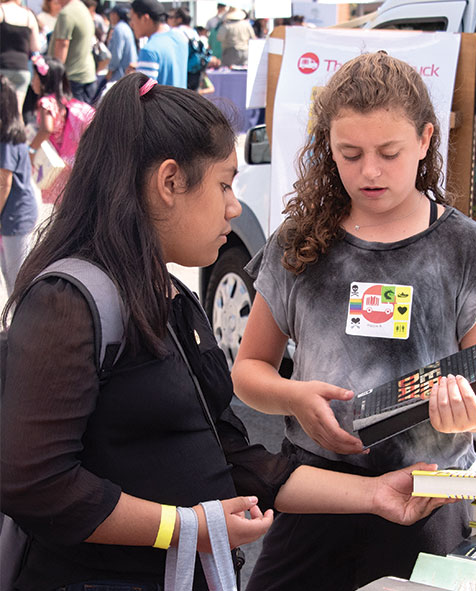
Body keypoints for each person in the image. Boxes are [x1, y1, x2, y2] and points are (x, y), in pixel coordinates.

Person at [0, 72, 448, 591]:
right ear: (170, 183)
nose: (234, 207)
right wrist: (186, 527)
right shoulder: (69, 302)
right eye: (224, 184)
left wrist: (375, 495)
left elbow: (234, 456)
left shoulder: (173, 298)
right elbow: (34, 482)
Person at [232, 51, 476, 590]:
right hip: (316, 496)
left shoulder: (469, 251)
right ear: (329, 150)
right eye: (350, 153)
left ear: (425, 140)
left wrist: (473, 416)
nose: (369, 171)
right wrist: (293, 397)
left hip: (432, 500)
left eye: (389, 152)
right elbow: (249, 368)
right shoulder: (297, 244)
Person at [29, 55, 94, 204]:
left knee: (59, 203)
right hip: (67, 159)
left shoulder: (45, 102)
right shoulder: (63, 101)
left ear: (45, 82)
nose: (33, 81)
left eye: (35, 77)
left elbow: (46, 128)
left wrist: (32, 150)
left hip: (55, 160)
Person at [0, 75, 38, 293]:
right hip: (16, 213)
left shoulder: (6, 139)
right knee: (9, 272)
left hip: (16, 214)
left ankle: (20, 324)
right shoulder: (14, 132)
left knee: (16, 278)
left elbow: (3, 184)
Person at [130, 0, 187, 88]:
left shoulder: (149, 50)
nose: (131, 25)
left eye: (132, 19)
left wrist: (131, 78)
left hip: (161, 102)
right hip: (181, 100)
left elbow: (142, 93)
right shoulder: (181, 39)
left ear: (145, 18)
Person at [47, 0, 96, 103]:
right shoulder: (82, 9)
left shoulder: (67, 13)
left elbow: (62, 45)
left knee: (72, 118)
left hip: (72, 79)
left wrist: (55, 78)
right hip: (86, 75)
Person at [0, 0, 41, 115]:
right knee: (16, 113)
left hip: (2, 66)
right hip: (22, 70)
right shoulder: (29, 15)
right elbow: (36, 47)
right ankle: (18, 133)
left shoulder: (1, 11)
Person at [105, 3, 136, 83]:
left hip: (120, 75)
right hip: (128, 73)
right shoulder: (125, 27)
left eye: (111, 14)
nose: (110, 17)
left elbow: (117, 53)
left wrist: (110, 70)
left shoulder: (119, 29)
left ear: (116, 15)